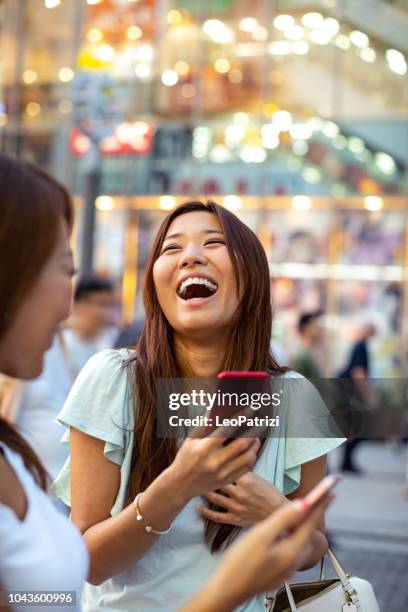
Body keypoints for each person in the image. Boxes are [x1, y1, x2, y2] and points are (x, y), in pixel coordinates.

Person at [0, 155, 332, 612]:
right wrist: (176, 486)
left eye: (213, 243)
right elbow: (87, 564)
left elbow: (314, 547)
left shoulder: (295, 397)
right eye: (170, 248)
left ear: (252, 276)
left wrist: (274, 512)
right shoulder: (114, 378)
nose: (190, 255)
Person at [63, 276, 120, 379]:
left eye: (109, 304)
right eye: (100, 304)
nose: (105, 312)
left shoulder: (115, 341)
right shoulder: (60, 343)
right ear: (78, 304)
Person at [338, 323, 376, 473]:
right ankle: (346, 462)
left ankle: (346, 462)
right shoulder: (361, 346)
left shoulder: (359, 345)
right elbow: (358, 373)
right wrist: (368, 397)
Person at [291, 312, 323, 379]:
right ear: (306, 328)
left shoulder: (309, 353)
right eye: (315, 325)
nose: (319, 329)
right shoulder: (301, 356)